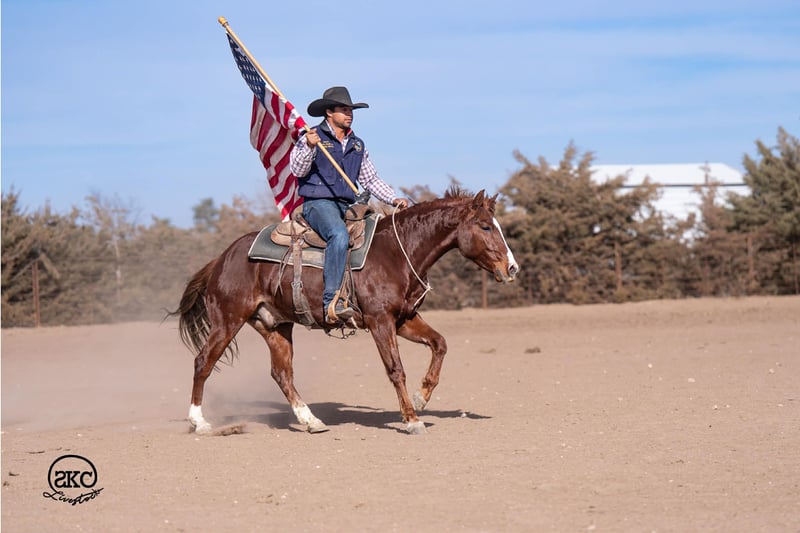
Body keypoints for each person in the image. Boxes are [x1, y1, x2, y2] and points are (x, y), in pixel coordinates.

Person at [290, 86, 408, 325]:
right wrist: (310, 147)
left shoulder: (357, 145)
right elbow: (297, 170)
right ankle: (332, 301)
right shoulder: (312, 137)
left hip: (348, 204)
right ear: (329, 112)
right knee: (339, 235)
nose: (349, 114)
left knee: (378, 235)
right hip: (318, 203)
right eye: (343, 110)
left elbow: (370, 179)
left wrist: (392, 198)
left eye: (351, 110)